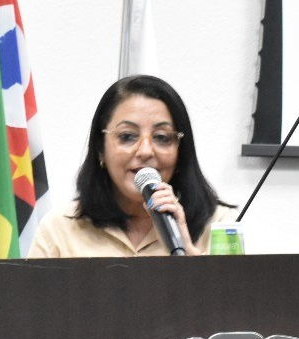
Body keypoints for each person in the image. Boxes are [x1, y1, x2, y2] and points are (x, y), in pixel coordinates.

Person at [28, 75, 235, 258]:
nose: (145, 151)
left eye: (162, 137)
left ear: (181, 150)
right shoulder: (59, 229)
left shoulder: (220, 225)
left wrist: (186, 251)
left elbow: (232, 291)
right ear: (100, 149)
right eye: (127, 136)